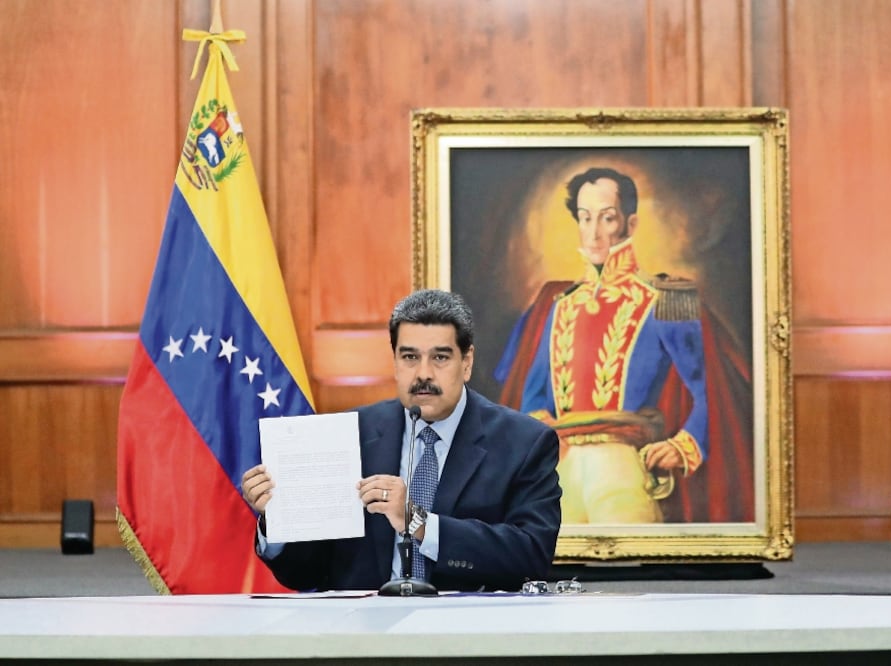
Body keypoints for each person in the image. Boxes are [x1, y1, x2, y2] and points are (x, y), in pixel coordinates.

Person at [241, 289, 562, 592]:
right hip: (362, 636)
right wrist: (279, 518)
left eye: (440, 358)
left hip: (466, 633)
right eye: (410, 357)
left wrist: (417, 521)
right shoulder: (348, 434)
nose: (423, 373)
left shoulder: (524, 442)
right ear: (394, 361)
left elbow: (530, 556)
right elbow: (305, 572)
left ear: (466, 363)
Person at [495, 166, 720, 524]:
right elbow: (534, 400)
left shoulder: (663, 300)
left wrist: (683, 445)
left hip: (622, 462)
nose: (594, 233)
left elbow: (710, 391)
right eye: (585, 219)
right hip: (562, 467)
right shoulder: (559, 305)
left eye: (607, 218)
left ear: (629, 225)